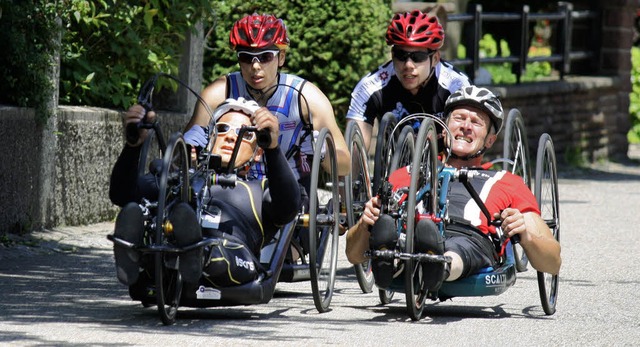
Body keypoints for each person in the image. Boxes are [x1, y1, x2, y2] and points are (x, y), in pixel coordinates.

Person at [345, 86, 561, 291]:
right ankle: (392, 261)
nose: (466, 126)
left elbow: (553, 262)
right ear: (444, 128)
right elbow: (353, 255)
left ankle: (439, 266)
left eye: (476, 122)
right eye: (458, 118)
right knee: (391, 227)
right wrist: (365, 223)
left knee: (457, 248)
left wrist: (524, 233)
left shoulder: (507, 181)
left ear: (489, 140)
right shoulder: (408, 173)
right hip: (409, 232)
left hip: (469, 237)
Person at [110, 97, 301, 288]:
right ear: (210, 139)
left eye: (245, 134)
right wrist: (133, 146)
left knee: (219, 253)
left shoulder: (260, 190)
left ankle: (198, 255)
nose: (231, 136)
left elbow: (289, 209)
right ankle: (135, 252)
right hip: (169, 255)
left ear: (258, 153)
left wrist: (273, 149)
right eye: (222, 129)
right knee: (142, 208)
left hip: (232, 259)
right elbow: (121, 195)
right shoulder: (181, 180)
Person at [183, 13, 350, 187]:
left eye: (265, 57)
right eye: (246, 57)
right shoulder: (217, 93)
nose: (255, 66)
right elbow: (179, 159)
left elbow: (345, 166)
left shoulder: (307, 98)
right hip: (230, 188)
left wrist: (323, 153)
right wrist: (189, 151)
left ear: (281, 58)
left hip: (289, 193)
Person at [346, 9, 471, 151]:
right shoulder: (369, 87)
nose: (408, 65)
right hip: (394, 165)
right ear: (392, 55)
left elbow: (470, 141)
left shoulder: (456, 85)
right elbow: (354, 156)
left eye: (418, 57)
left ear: (435, 58)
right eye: (401, 55)